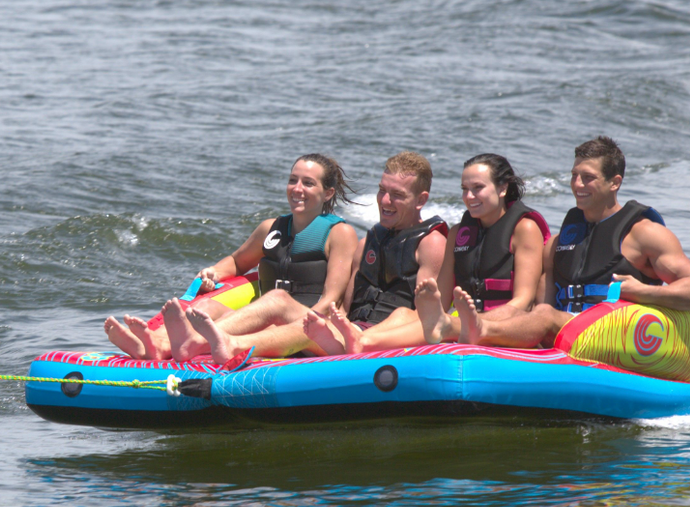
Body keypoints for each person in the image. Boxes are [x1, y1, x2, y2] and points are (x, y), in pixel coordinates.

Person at [442, 136, 690, 348]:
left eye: (588, 177)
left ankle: (477, 329)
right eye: (574, 175)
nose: (577, 184)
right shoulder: (560, 241)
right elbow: (541, 304)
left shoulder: (644, 233)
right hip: (567, 333)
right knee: (542, 312)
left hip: (618, 332)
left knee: (545, 316)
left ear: (614, 182)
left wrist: (643, 291)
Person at [188, 152, 446, 364]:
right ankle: (164, 343)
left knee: (279, 303)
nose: (385, 200)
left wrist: (366, 337)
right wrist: (338, 326)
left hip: (382, 342)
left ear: (421, 199)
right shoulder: (369, 240)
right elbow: (347, 304)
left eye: (397, 195)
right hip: (350, 332)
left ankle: (218, 344)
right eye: (382, 191)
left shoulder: (431, 243)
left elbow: (428, 318)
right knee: (211, 307)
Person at [104, 154, 357, 360]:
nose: (297, 189)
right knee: (204, 307)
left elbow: (330, 302)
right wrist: (213, 272)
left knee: (277, 299)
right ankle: (152, 341)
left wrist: (285, 327)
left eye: (308, 183)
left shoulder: (339, 233)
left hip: (314, 328)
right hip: (271, 317)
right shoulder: (271, 228)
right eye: (293, 180)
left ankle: (173, 345)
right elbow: (237, 262)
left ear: (328, 193)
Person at [306, 153, 549, 353]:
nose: (469, 197)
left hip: (508, 323)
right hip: (463, 321)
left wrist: (479, 321)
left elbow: (523, 301)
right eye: (465, 189)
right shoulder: (458, 233)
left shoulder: (524, 228)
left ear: (503, 188)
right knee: (405, 313)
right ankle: (359, 339)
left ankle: (360, 342)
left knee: (442, 322)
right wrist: (429, 303)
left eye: (478, 188)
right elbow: (439, 304)